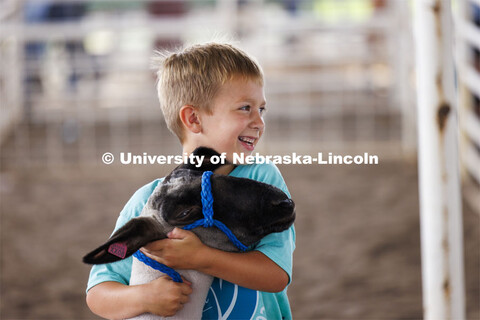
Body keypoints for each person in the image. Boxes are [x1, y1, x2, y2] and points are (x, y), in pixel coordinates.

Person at [86, 42, 296, 319]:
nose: (259, 121)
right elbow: (98, 293)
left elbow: (276, 275)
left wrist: (200, 258)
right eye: (245, 108)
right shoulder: (148, 202)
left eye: (262, 109)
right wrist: (144, 297)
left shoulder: (261, 180)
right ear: (193, 118)